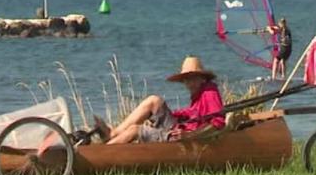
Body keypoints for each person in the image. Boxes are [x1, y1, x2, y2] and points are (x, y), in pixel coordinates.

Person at [95, 56, 225, 144]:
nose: (189, 83)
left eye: (193, 78)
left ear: (202, 78)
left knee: (135, 130)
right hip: (179, 127)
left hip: (183, 135)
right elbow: (193, 113)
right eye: (186, 79)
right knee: (154, 101)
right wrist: (157, 118)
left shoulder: (209, 92)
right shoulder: (199, 94)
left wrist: (189, 136)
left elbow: (217, 124)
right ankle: (113, 134)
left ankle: (101, 153)